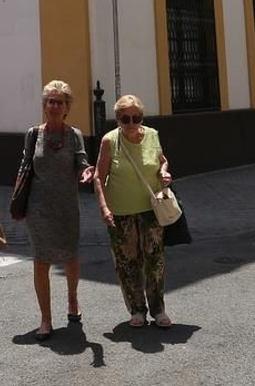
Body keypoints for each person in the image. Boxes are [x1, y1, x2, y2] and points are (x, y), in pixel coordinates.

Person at [17, 80, 94, 341]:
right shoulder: (33, 134)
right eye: (50, 100)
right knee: (41, 261)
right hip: (38, 207)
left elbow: (81, 161)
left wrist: (86, 172)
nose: (54, 105)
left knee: (71, 257)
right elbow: (25, 166)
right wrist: (19, 200)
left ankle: (72, 300)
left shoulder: (74, 135)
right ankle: (45, 319)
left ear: (66, 107)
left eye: (59, 101)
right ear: (45, 105)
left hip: (66, 206)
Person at [93, 94, 173, 328]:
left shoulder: (152, 135)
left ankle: (158, 309)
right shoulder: (110, 141)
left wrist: (164, 172)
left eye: (135, 117)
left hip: (152, 210)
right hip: (121, 213)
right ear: (117, 118)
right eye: (124, 118)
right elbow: (99, 176)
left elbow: (163, 160)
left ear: (141, 117)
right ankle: (137, 309)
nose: (130, 123)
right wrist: (104, 207)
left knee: (155, 262)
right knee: (128, 263)